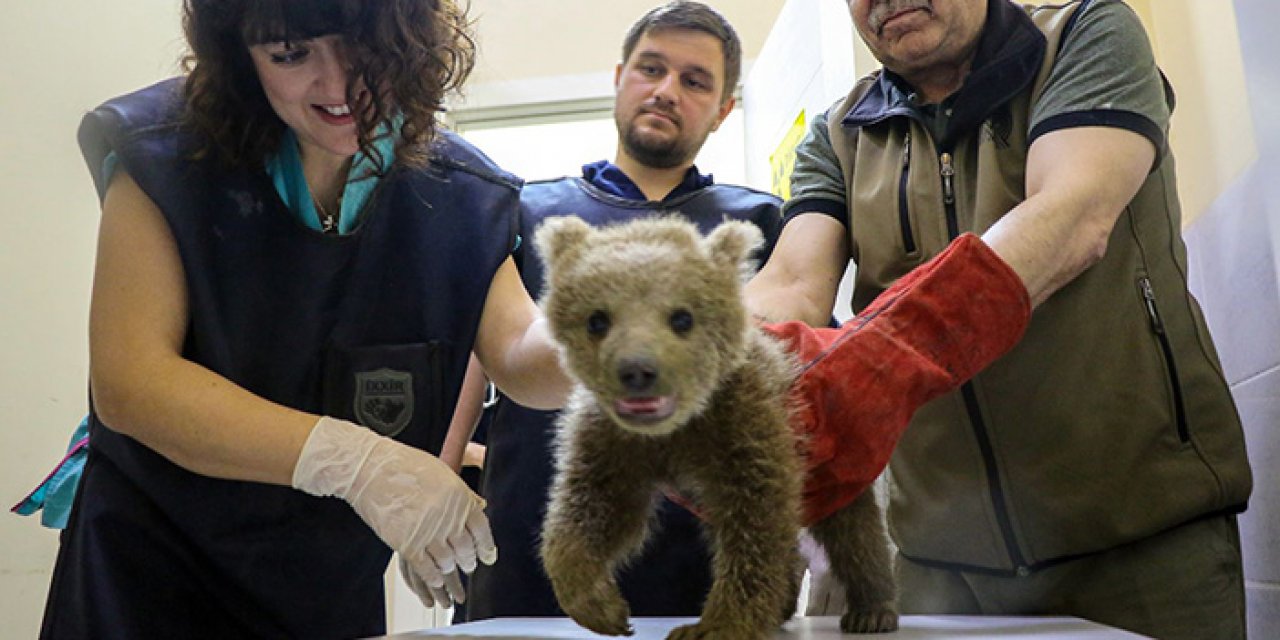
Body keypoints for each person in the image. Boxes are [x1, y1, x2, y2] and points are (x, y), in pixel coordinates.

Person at [39, 1, 572, 638]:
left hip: (322, 585)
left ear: (413, 42)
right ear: (241, 56)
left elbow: (519, 354)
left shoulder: (459, 193)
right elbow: (132, 383)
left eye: (364, 49)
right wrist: (358, 464)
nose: (337, 86)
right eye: (291, 54)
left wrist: (617, 344)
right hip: (149, 574)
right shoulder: (167, 156)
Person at [744, 1, 1253, 638]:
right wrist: (721, 375)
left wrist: (875, 359)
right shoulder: (838, 134)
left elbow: (1070, 216)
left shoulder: (1084, 34)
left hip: (1141, 545)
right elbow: (792, 281)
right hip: (938, 567)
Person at [453, 1, 785, 622]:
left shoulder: (758, 223)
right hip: (529, 541)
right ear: (618, 77)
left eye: (695, 81)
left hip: (701, 557)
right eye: (650, 68)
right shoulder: (527, 211)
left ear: (724, 110)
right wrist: (441, 476)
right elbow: (477, 357)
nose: (665, 91)